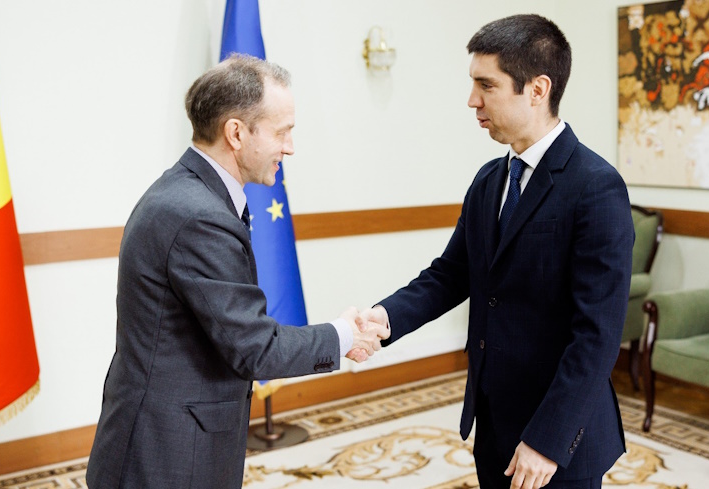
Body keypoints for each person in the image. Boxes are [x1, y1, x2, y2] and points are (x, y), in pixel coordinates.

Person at [86, 54, 387, 489]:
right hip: (167, 451)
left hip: (168, 432)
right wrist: (343, 335)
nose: (290, 147)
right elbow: (254, 348)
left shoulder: (186, 193)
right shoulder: (198, 215)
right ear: (236, 133)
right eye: (282, 132)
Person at [362, 14, 634, 489]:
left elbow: (597, 335)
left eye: (486, 85)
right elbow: (451, 275)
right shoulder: (489, 179)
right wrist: (384, 318)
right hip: (493, 419)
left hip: (561, 435)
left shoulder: (596, 186)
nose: (472, 101)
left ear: (537, 88)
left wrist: (548, 440)